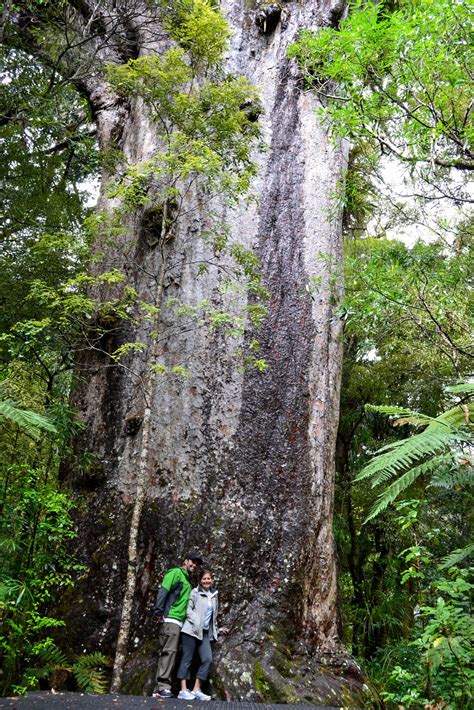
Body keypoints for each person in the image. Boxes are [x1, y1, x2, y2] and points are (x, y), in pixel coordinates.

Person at [152, 553, 203, 699]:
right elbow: (164, 590)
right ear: (185, 561)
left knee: (169, 652)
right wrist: (158, 611)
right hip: (171, 619)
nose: (194, 565)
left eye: (196, 564)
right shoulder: (175, 573)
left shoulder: (187, 579)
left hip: (178, 621)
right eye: (192, 562)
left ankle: (159, 688)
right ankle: (163, 687)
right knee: (169, 652)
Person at [176, 568, 227, 701]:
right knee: (187, 659)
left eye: (208, 578)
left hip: (204, 633)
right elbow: (188, 610)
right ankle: (182, 690)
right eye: (204, 579)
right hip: (191, 630)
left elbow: (212, 616)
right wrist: (197, 621)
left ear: (212, 580)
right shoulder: (195, 592)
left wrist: (217, 629)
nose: (206, 581)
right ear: (200, 580)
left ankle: (196, 690)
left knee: (207, 659)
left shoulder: (214, 595)